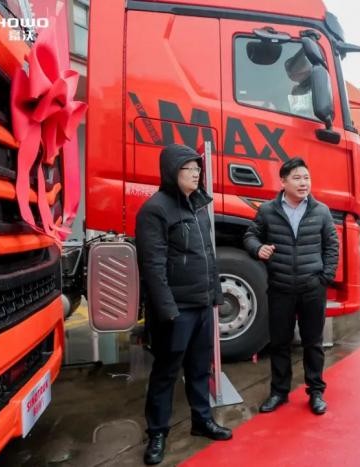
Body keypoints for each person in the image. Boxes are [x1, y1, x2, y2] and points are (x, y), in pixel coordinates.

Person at [135, 144, 232, 466]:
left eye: (198, 169)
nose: (196, 174)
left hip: (203, 305)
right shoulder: (155, 210)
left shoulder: (198, 207)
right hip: (176, 310)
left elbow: (208, 255)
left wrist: (215, 296)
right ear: (171, 172)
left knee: (199, 369)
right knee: (165, 372)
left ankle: (201, 421)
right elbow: (153, 267)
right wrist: (167, 312)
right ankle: (158, 432)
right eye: (189, 169)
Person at [244, 157, 339, 415]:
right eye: (297, 178)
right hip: (280, 287)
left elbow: (332, 245)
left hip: (312, 288)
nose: (303, 183)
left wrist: (324, 278)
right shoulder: (268, 211)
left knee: (313, 343)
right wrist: (257, 248)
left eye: (306, 177)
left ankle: (316, 391)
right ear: (283, 181)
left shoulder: (320, 211)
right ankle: (279, 392)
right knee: (279, 342)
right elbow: (250, 235)